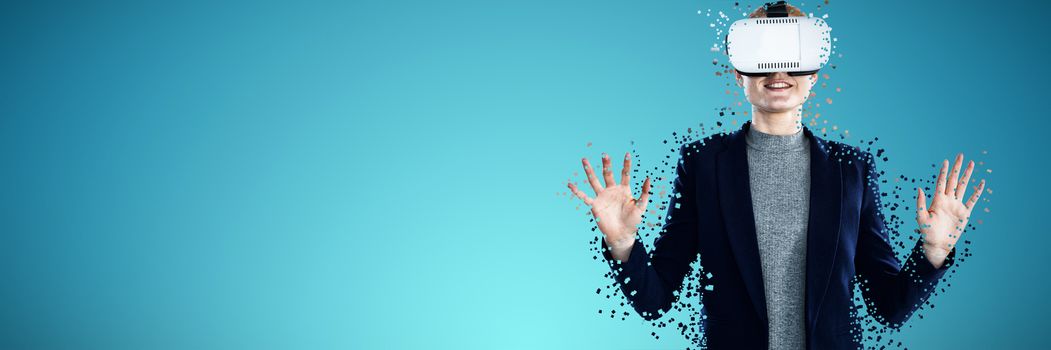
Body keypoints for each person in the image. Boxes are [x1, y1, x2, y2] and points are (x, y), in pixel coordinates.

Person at [566, 2, 986, 349]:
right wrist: (622, 243)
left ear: (813, 77)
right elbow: (655, 300)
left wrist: (934, 251)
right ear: (738, 74)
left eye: (791, 57)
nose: (777, 70)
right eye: (761, 56)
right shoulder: (703, 163)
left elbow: (889, 306)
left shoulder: (850, 169)